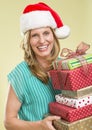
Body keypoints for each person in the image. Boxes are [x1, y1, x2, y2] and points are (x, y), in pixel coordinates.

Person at [4, 2, 70, 130]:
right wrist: (39, 126)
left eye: (46, 33)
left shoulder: (66, 67)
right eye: (35, 35)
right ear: (28, 40)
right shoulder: (20, 74)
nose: (41, 40)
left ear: (54, 36)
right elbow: (8, 122)